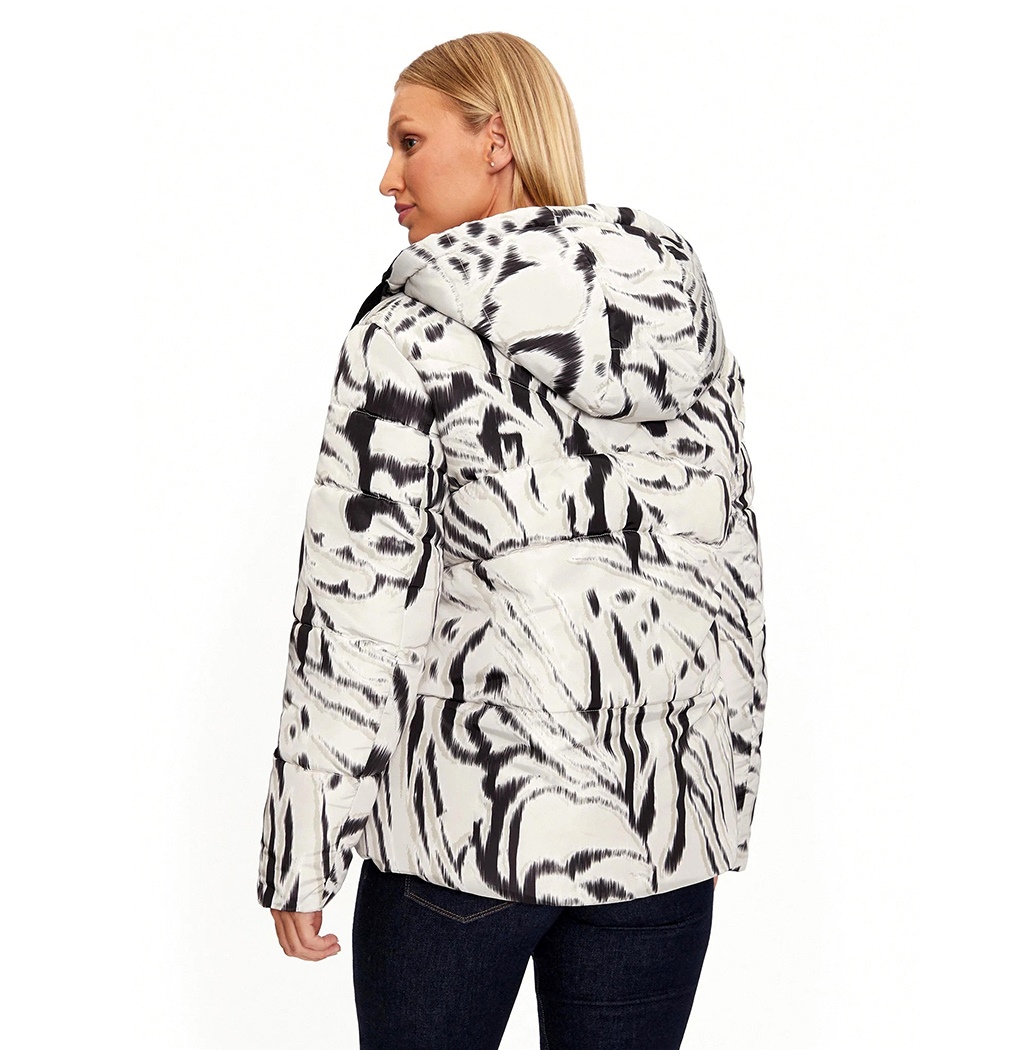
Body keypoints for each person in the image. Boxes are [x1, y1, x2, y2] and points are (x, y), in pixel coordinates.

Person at [257, 31, 767, 1050]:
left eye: (409, 141)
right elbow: (729, 576)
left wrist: (305, 842)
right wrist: (715, 793)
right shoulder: (677, 316)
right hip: (659, 836)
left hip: (468, 827)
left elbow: (357, 612)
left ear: (496, 140)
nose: (388, 178)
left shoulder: (406, 337)